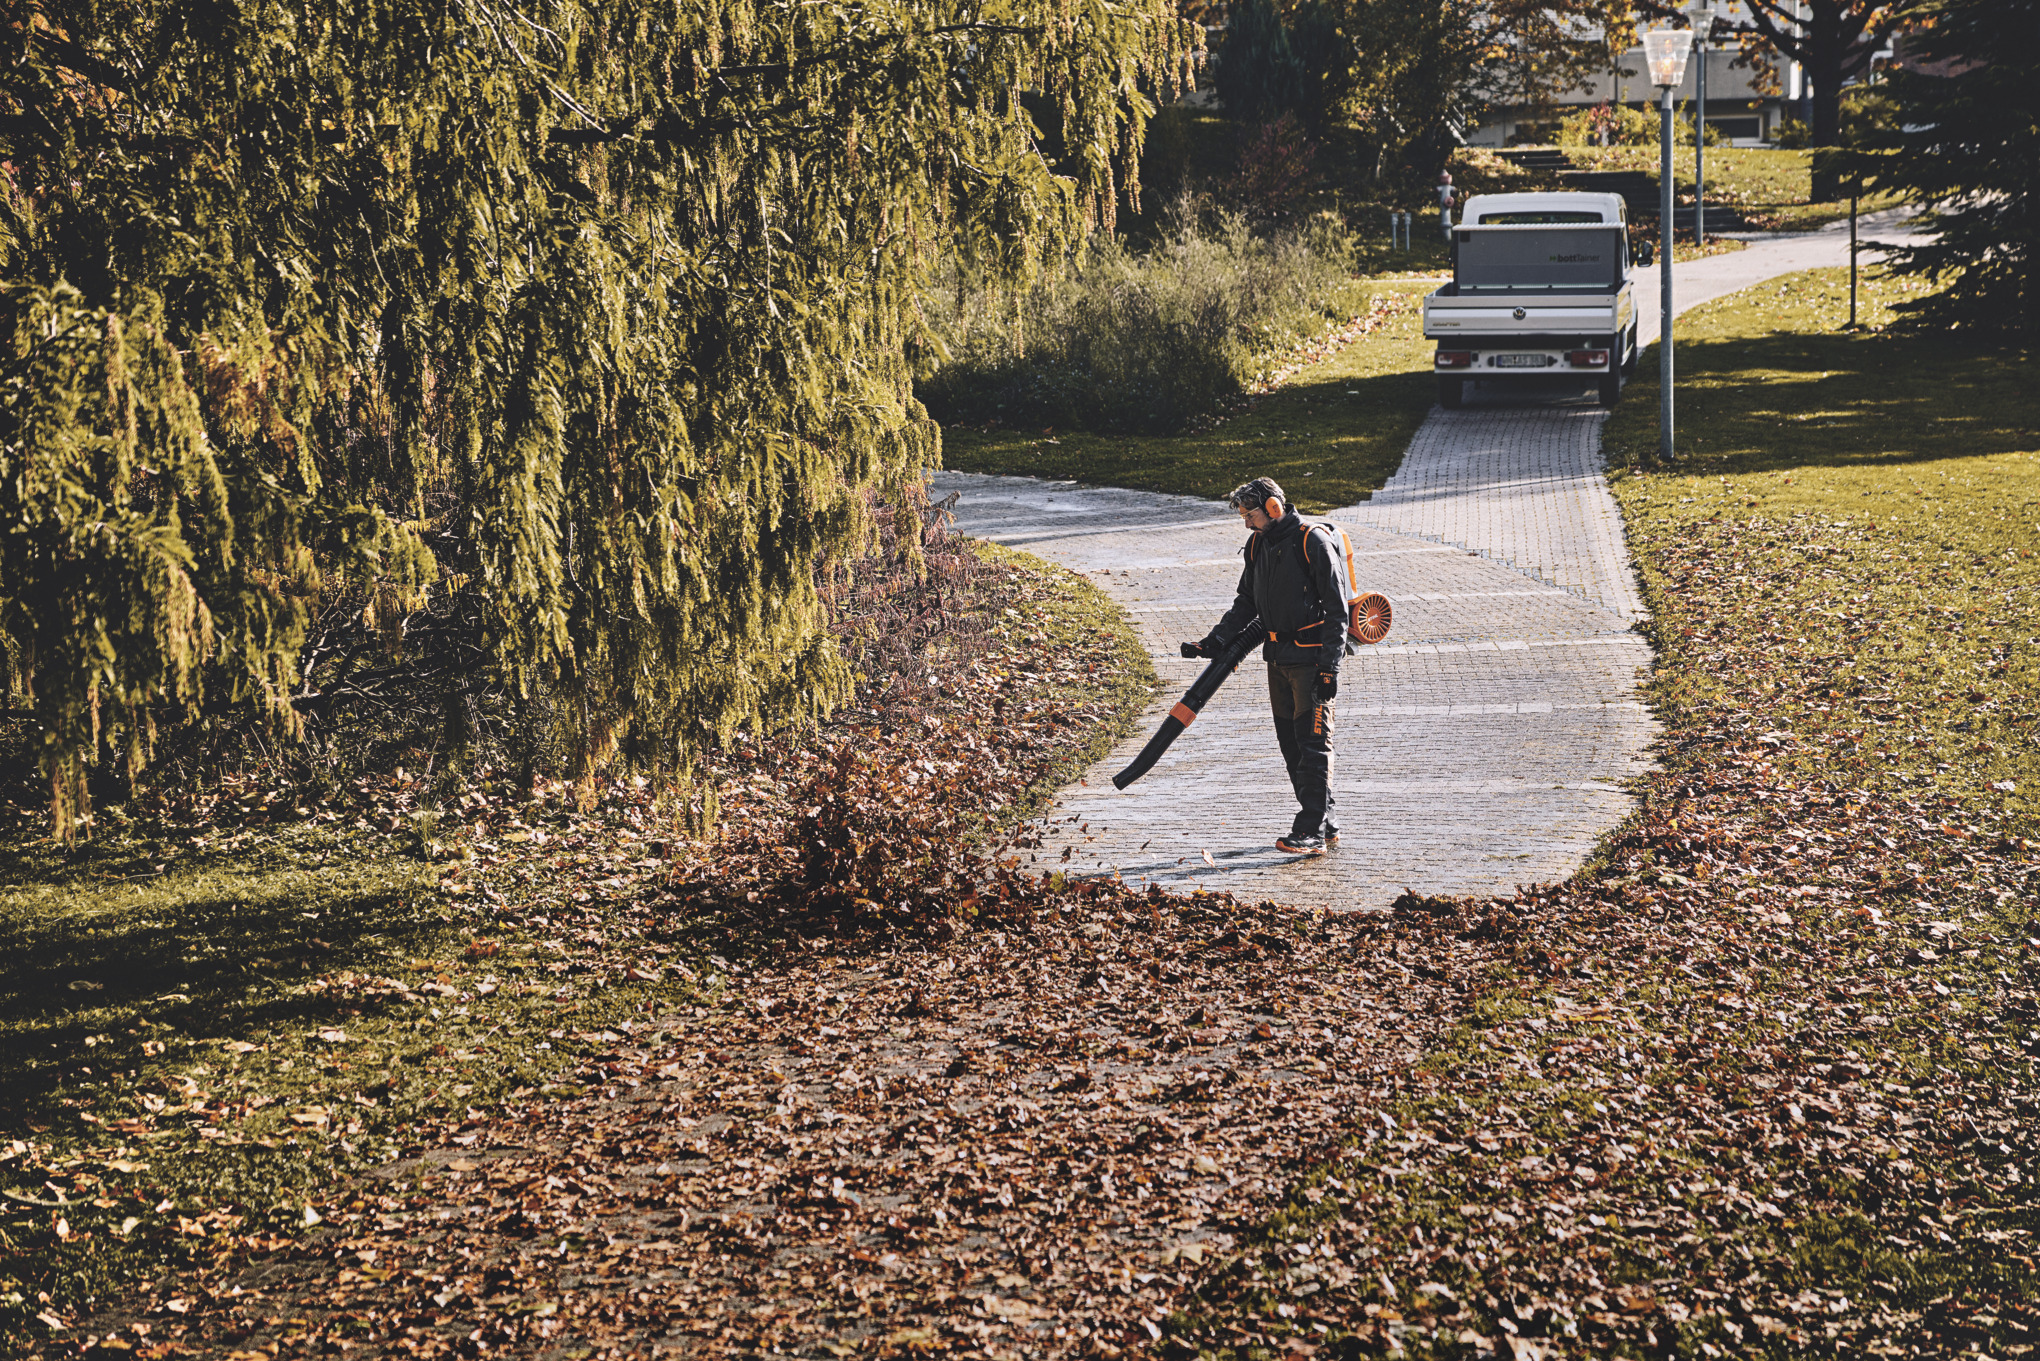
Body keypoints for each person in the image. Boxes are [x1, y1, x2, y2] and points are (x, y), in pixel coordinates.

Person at [1182, 477, 1347, 857]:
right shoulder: (1258, 544)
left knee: (1313, 745)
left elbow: (1337, 611)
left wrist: (1329, 668)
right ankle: (1326, 824)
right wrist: (1214, 640)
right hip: (1277, 659)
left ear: (1273, 508)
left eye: (1250, 515)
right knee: (1292, 747)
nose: (1246, 524)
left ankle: (1309, 831)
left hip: (1311, 661)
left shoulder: (1313, 541)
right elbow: (1246, 601)